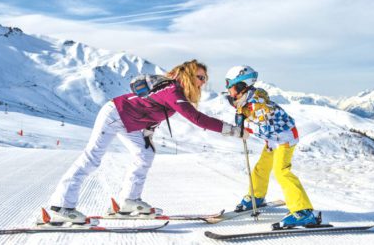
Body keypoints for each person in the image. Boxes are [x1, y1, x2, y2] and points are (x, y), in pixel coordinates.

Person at [47, 59, 247, 224]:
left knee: (145, 154)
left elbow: (150, 109)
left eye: (205, 78)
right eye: (200, 77)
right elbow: (197, 119)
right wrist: (233, 131)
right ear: (188, 74)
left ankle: (129, 201)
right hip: (115, 113)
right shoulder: (173, 90)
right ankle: (61, 206)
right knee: (93, 157)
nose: (203, 82)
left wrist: (148, 131)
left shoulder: (175, 91)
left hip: (130, 122)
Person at [225, 65, 317, 228]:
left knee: (282, 172)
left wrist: (244, 128)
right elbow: (245, 114)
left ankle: (303, 211)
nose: (228, 90)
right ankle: (256, 197)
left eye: (229, 86)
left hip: (285, 138)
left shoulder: (259, 105)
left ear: (241, 85)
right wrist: (240, 117)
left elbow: (264, 127)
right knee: (261, 168)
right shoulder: (245, 99)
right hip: (273, 140)